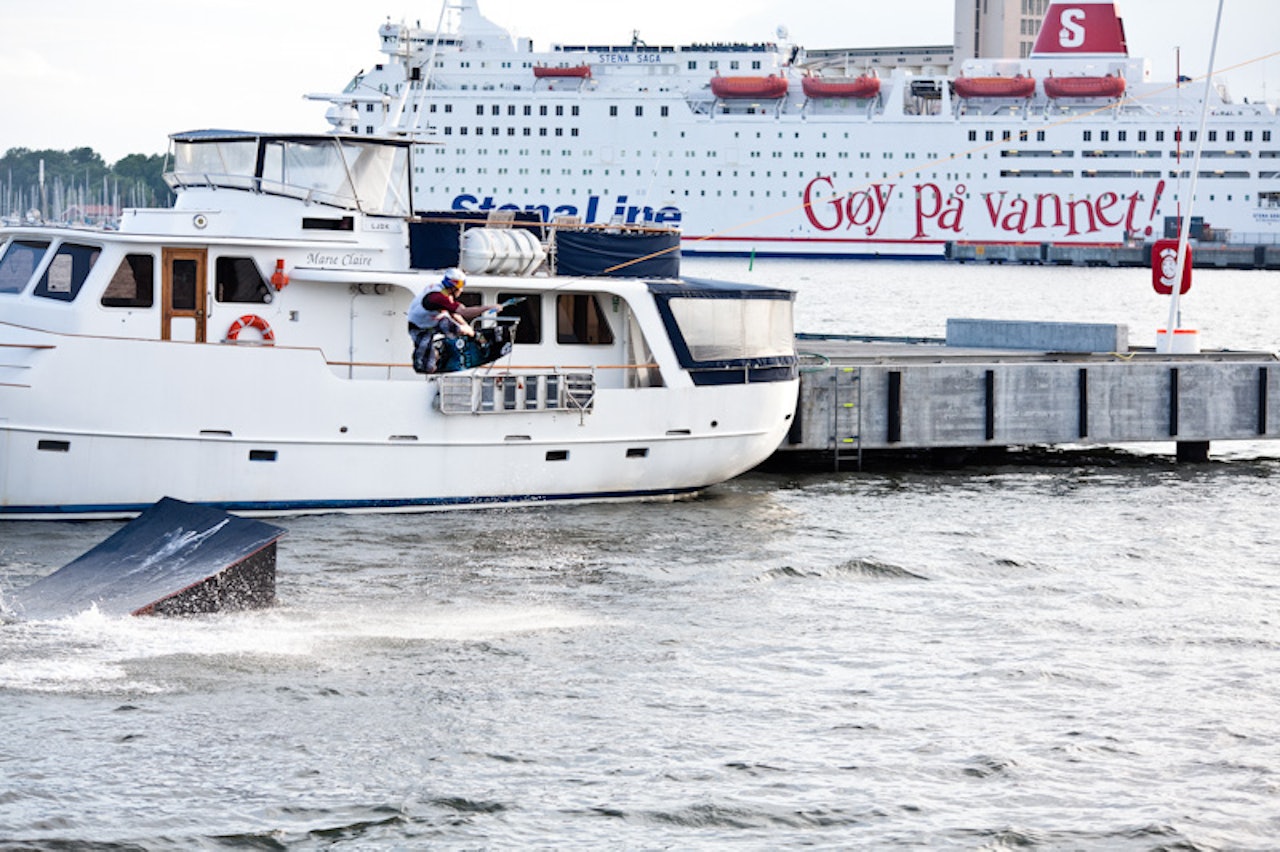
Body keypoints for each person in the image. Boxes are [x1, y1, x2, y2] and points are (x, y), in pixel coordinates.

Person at [408, 268, 502, 373]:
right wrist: (488, 307)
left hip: (436, 321)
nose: (462, 290)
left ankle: (478, 339)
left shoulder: (442, 291)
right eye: (461, 287)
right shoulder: (438, 297)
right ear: (453, 287)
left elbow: (454, 314)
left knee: (458, 329)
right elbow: (464, 312)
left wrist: (468, 329)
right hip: (419, 328)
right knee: (426, 367)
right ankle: (434, 355)